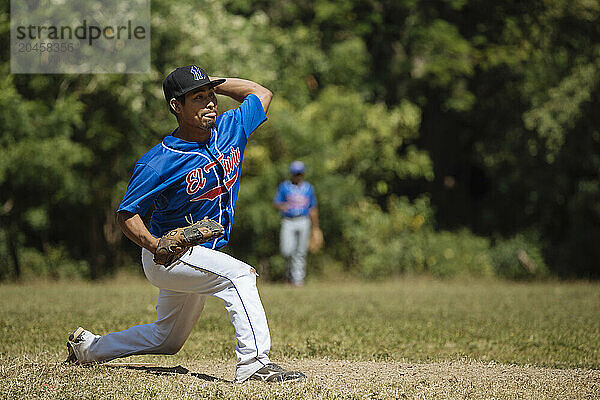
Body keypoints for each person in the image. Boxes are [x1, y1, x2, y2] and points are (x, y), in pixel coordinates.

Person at [64, 65, 305, 383]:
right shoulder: (159, 161)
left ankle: (89, 348)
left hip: (202, 254)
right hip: (168, 255)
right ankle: (253, 363)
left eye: (210, 96)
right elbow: (126, 214)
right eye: (197, 98)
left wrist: (215, 84)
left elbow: (262, 93)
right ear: (176, 106)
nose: (209, 103)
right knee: (240, 276)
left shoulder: (232, 128)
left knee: (167, 340)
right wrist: (153, 244)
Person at [273, 161, 321, 286]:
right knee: (286, 250)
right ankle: (288, 275)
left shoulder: (308, 188)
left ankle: (298, 280)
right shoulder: (285, 186)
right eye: (295, 173)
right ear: (291, 174)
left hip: (303, 220)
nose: (297, 176)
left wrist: (316, 228)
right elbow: (276, 203)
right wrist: (282, 206)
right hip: (288, 221)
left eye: (299, 173)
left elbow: (313, 208)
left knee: (300, 252)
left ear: (303, 174)